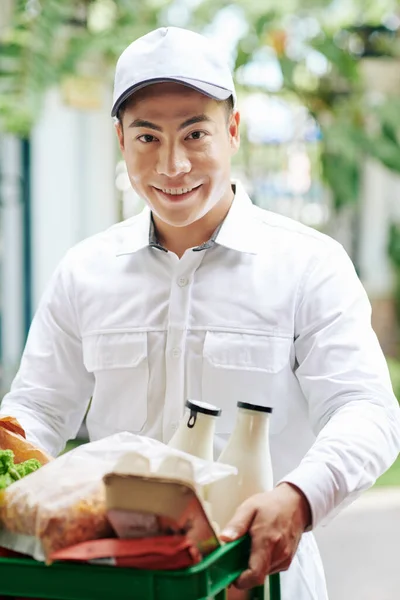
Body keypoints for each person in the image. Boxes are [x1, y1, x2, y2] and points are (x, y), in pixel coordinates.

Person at [1, 26, 400, 600]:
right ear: (120, 140)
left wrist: (299, 498)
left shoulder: (309, 265)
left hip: (261, 579)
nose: (173, 164)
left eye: (194, 133)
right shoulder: (85, 271)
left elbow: (367, 410)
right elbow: (36, 409)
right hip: (115, 581)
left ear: (232, 130)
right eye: (147, 137)